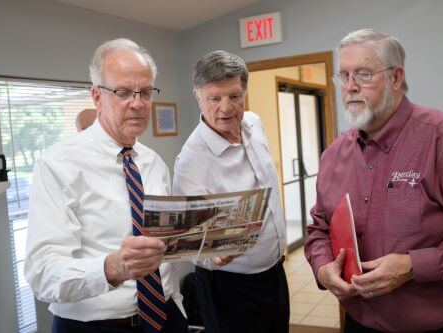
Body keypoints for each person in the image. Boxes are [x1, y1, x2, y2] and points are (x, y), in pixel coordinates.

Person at [304, 28, 443, 332]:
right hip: (360, 322)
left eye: (363, 75)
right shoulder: (334, 154)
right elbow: (319, 227)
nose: (350, 87)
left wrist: (413, 266)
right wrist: (323, 268)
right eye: (343, 76)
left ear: (396, 77)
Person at [25, 38, 187, 333]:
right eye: (123, 92)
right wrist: (112, 268)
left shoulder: (154, 163)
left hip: (165, 317)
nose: (137, 103)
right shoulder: (57, 163)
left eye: (146, 92)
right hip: (95, 326)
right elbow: (42, 274)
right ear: (97, 97)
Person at [172, 50, 289, 333]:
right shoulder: (191, 161)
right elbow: (189, 239)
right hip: (229, 287)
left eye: (234, 96)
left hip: (274, 273)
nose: (226, 108)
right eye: (215, 98)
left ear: (244, 92)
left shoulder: (254, 123)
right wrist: (210, 255)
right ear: (197, 97)